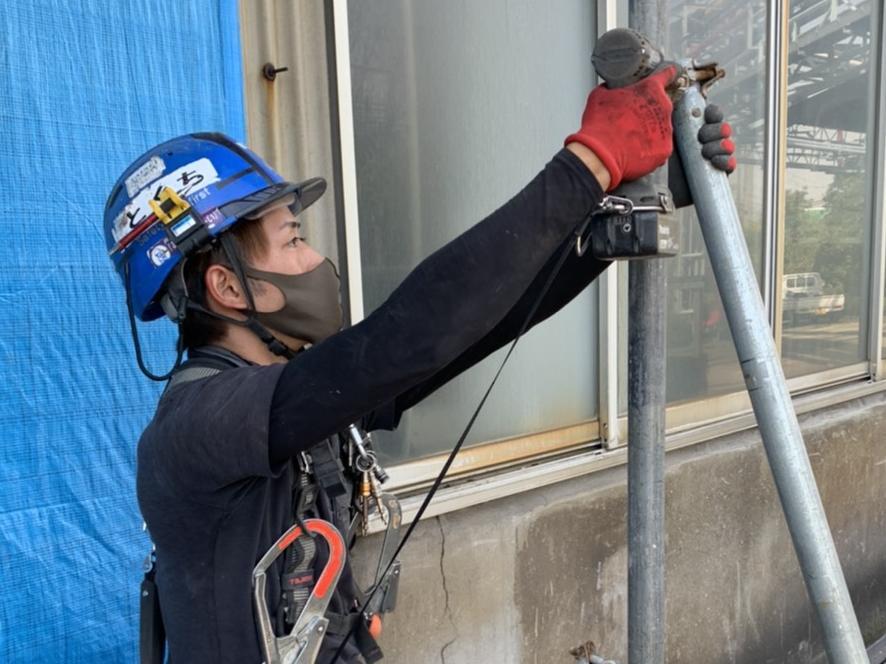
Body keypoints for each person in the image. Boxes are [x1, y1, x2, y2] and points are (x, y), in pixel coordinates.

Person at [103, 66, 735, 664]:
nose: (315, 259)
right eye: (293, 240)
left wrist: (637, 203)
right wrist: (590, 163)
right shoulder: (197, 425)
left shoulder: (291, 396)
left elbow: (476, 323)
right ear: (228, 288)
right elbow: (407, 339)